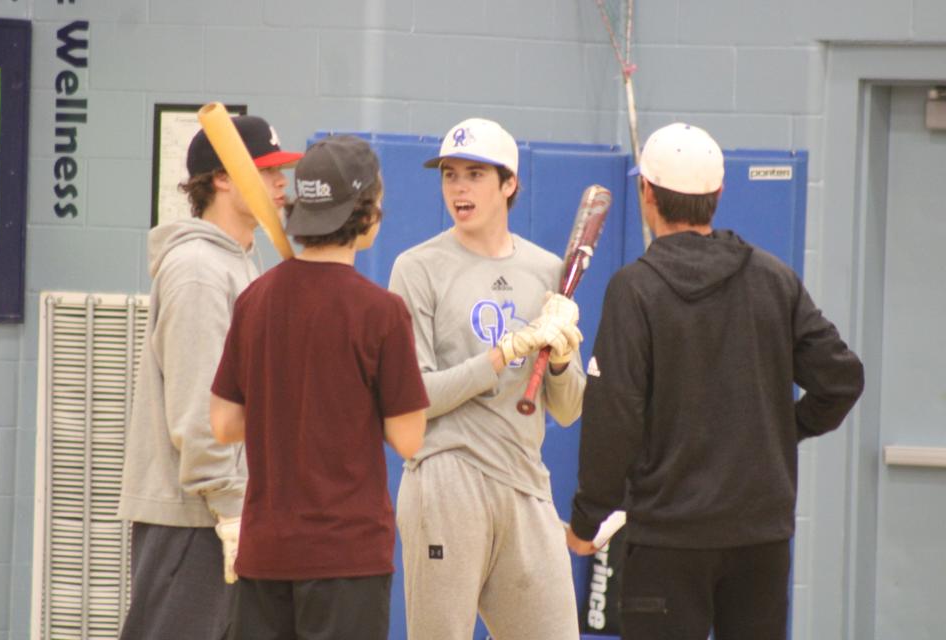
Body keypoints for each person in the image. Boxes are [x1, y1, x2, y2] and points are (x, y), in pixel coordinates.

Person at [566, 123, 865, 640]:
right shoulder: (774, 279)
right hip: (761, 542)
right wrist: (781, 429)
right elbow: (842, 380)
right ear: (719, 195)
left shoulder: (633, 290)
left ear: (646, 193)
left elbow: (613, 415)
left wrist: (588, 518)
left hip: (666, 542)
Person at [209, 134, 428, 640]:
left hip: (265, 554)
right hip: (346, 557)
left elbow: (223, 425)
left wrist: (285, 405)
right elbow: (409, 438)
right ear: (366, 212)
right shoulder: (381, 312)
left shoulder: (254, 300)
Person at [388, 117, 586, 640]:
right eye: (450, 175)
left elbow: (567, 410)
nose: (458, 188)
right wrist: (499, 358)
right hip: (446, 478)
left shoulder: (548, 271)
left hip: (525, 484)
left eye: (475, 174)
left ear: (509, 184)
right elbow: (416, 397)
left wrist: (561, 360)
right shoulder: (417, 268)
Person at [117, 115, 301, 640]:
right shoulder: (197, 269)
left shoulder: (245, 263)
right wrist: (230, 511)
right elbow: (199, 411)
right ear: (222, 178)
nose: (281, 184)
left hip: (231, 512)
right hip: (194, 519)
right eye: (267, 172)